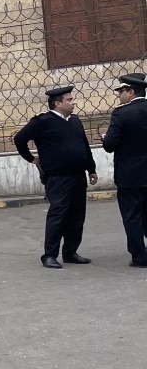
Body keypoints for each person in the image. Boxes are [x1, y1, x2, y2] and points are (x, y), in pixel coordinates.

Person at [14, 86, 98, 268]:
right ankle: (50, 255)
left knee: (77, 216)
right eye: (69, 100)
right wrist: (31, 159)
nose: (73, 102)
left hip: (78, 175)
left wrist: (91, 169)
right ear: (57, 103)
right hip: (58, 177)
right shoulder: (42, 121)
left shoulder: (75, 121)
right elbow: (19, 139)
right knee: (58, 214)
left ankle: (70, 252)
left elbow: (84, 146)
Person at [101, 72, 147, 267]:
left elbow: (110, 145)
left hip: (129, 176)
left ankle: (139, 257)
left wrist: (105, 138)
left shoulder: (121, 113)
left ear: (130, 91)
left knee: (132, 215)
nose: (119, 94)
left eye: (121, 91)